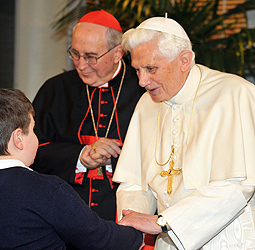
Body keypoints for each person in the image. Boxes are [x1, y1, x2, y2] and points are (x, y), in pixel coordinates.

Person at [113, 16, 255, 249]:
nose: (142, 81)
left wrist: (163, 222)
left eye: (151, 69)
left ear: (184, 60)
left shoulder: (235, 94)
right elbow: (133, 183)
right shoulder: (146, 104)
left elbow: (237, 186)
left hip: (228, 241)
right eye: (137, 70)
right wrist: (133, 225)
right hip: (167, 242)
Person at [31, 9, 145, 223]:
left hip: (124, 217)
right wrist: (80, 156)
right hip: (64, 217)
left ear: (118, 53)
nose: (81, 65)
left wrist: (115, 159)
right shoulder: (55, 89)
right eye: (75, 54)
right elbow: (31, 152)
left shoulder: (144, 89)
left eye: (91, 57)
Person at [0, 88, 143, 250]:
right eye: (33, 129)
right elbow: (101, 239)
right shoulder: (46, 189)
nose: (36, 137)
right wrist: (136, 233)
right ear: (18, 138)